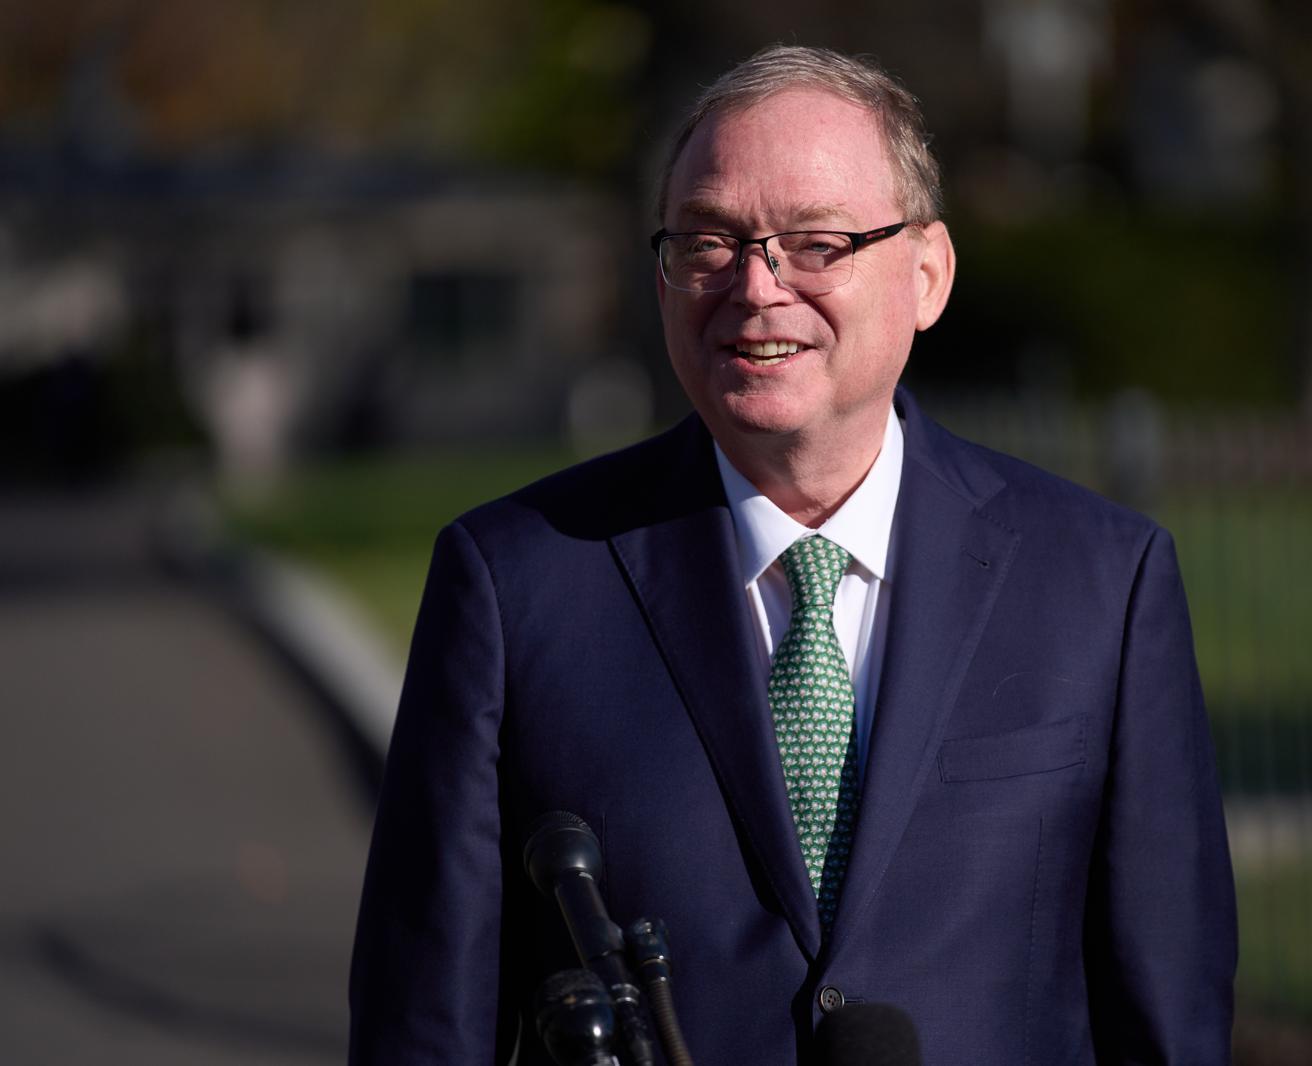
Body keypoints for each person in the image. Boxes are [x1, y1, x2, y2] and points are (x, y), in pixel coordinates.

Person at [349, 44, 1236, 1066]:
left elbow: (1168, 1020)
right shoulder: (516, 584)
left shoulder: (1101, 585)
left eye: (816, 243)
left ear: (927, 274)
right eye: (709, 242)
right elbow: (425, 1024)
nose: (756, 287)